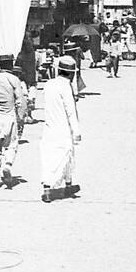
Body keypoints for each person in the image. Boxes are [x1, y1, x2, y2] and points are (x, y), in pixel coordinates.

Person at [0, 55, 28, 188]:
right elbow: (20, 100)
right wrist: (21, 118)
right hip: (9, 116)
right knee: (11, 145)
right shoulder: (14, 79)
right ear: (11, 65)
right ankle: (7, 165)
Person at [40, 55, 81, 201]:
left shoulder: (49, 84)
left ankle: (48, 188)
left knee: (49, 158)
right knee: (66, 157)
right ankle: (66, 186)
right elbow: (71, 111)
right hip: (63, 129)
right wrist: (76, 131)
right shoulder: (66, 87)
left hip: (49, 128)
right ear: (71, 73)